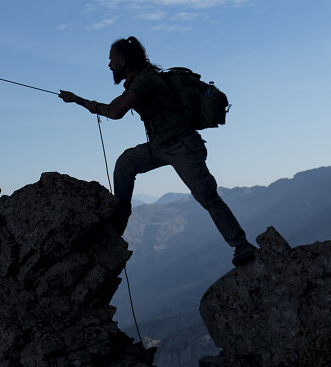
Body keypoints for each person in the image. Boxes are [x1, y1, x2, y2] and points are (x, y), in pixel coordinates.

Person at [59, 36, 258, 266]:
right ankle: (117, 227)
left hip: (183, 145)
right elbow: (114, 106)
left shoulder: (145, 81)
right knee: (125, 164)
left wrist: (85, 104)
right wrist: (77, 100)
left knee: (208, 197)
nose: (109, 65)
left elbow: (116, 112)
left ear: (122, 61)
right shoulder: (136, 82)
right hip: (162, 146)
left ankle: (242, 246)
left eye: (111, 59)